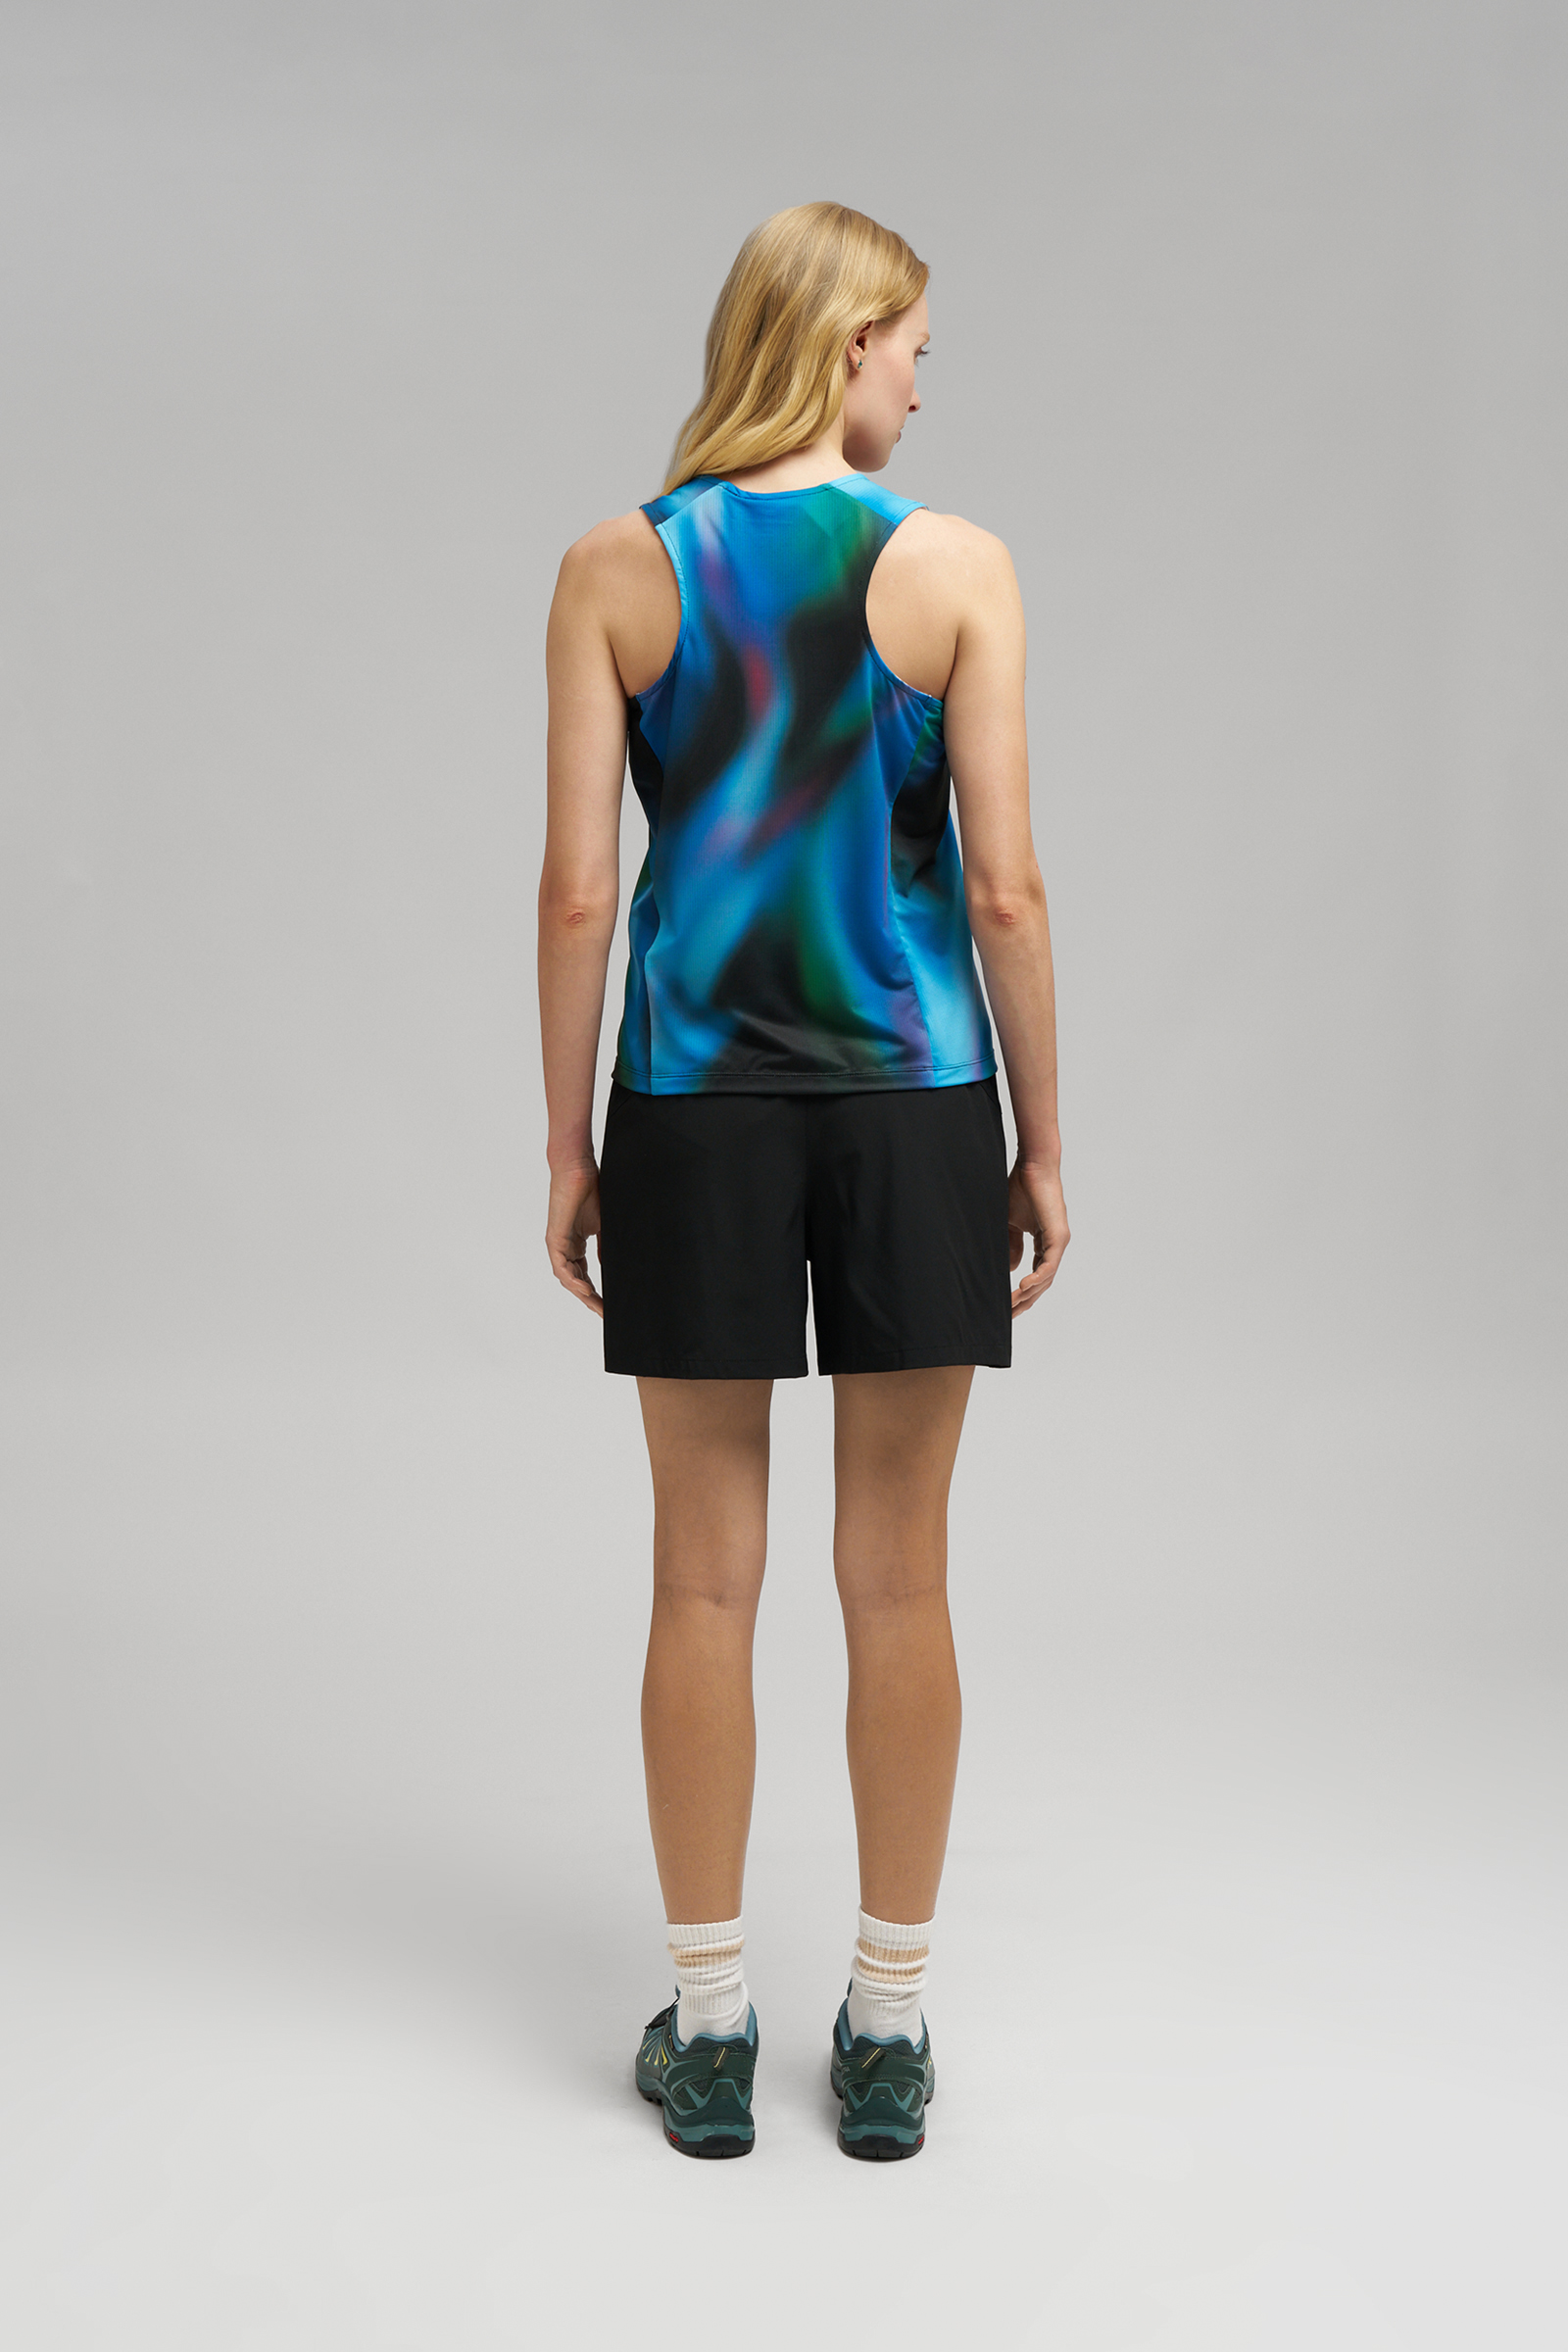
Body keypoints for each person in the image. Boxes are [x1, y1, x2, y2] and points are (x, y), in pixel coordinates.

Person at [537, 201, 1068, 2161]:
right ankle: (888, 2024)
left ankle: (705, 2026)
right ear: (845, 342)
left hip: (690, 1105)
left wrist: (570, 1142)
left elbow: (577, 890)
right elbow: (1003, 891)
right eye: (914, 344)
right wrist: (1041, 1139)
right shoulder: (956, 568)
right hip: (914, 1099)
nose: (923, 379)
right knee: (900, 1573)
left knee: (700, 1573)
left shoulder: (617, 566)